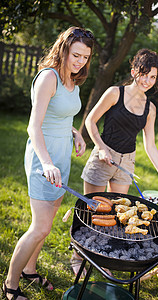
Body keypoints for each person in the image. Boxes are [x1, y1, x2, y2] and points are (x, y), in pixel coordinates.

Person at [3, 26, 94, 300]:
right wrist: (46, 163)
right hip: (45, 161)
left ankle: (30, 270)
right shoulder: (48, 78)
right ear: (63, 48)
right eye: (75, 55)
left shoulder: (72, 80)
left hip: (62, 156)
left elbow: (62, 116)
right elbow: (34, 126)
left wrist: (76, 133)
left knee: (49, 221)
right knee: (39, 227)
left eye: (85, 57)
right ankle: (10, 284)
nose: (80, 61)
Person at [70, 48, 158, 278]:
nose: (147, 81)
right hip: (103, 155)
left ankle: (101, 254)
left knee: (118, 216)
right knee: (91, 210)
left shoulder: (150, 108)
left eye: (152, 77)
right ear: (134, 71)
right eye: (144, 74)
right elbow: (90, 120)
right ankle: (78, 256)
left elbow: (150, 145)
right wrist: (100, 147)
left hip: (126, 162)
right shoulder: (114, 93)